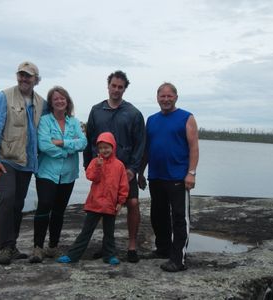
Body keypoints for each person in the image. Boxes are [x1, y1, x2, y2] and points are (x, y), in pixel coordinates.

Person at [0, 61, 47, 265]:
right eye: (21, 75)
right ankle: (4, 248)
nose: (23, 79)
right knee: (7, 198)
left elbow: (44, 130)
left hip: (27, 163)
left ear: (36, 80)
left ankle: (12, 246)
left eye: (28, 76)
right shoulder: (3, 97)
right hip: (5, 160)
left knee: (18, 204)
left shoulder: (41, 103)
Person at [83, 70, 146, 263]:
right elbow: (90, 140)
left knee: (133, 203)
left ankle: (132, 245)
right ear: (108, 86)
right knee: (102, 205)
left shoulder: (133, 113)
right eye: (113, 86)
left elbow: (140, 144)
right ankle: (107, 246)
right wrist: (89, 166)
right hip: (101, 169)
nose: (116, 90)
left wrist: (133, 169)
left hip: (125, 169)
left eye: (120, 87)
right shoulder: (96, 110)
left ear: (124, 89)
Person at [138, 82, 199, 272]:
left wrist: (191, 173)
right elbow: (147, 149)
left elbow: (194, 147)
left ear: (176, 97)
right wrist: (140, 172)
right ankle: (163, 249)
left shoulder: (186, 117)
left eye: (169, 96)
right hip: (156, 176)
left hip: (178, 177)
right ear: (157, 98)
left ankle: (178, 259)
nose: (165, 99)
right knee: (158, 216)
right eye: (162, 96)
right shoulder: (152, 120)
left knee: (180, 218)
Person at [29, 86, 87, 263]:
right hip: (47, 172)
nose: (60, 101)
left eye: (63, 98)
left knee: (59, 210)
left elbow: (83, 142)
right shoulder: (45, 121)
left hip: (68, 174)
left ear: (67, 101)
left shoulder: (74, 122)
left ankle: (52, 246)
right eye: (56, 99)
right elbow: (44, 145)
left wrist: (61, 142)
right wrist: (67, 150)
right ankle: (38, 247)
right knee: (44, 205)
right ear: (51, 103)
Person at [57, 132, 129, 265]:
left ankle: (109, 256)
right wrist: (98, 166)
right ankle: (73, 255)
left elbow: (123, 185)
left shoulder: (119, 165)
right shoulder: (95, 162)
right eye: (101, 148)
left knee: (109, 233)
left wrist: (121, 202)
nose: (104, 150)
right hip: (94, 204)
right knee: (86, 232)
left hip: (110, 205)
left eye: (107, 147)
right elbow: (91, 177)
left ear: (113, 147)